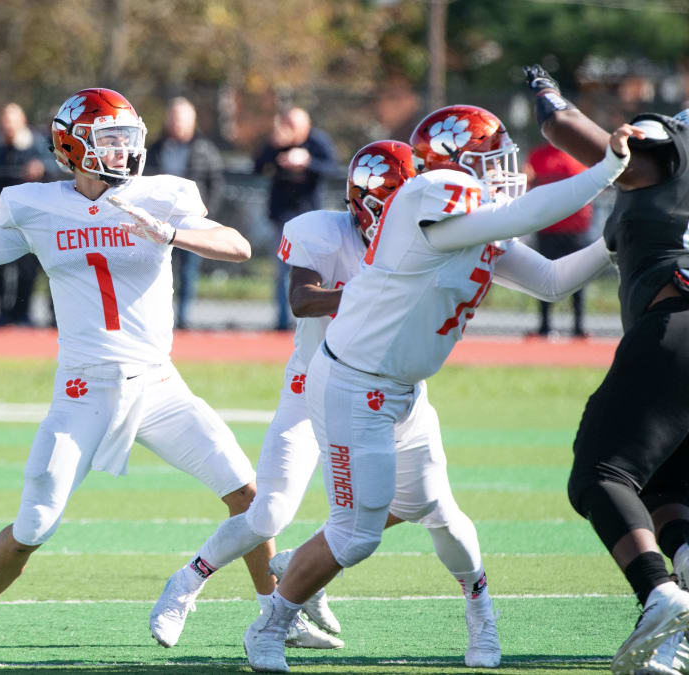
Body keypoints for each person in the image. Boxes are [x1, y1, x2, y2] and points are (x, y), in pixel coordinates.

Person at [242, 105, 639, 673]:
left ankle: (482, 621)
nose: (504, 167)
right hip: (354, 384)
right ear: (450, 165)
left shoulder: (477, 220)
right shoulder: (431, 198)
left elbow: (552, 283)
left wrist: (611, 242)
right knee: (357, 537)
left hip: (403, 387)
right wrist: (606, 170)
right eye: (486, 158)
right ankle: (271, 626)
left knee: (440, 512)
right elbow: (528, 210)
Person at [0, 87, 271, 645]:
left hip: (158, 384)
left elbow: (237, 246)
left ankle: (276, 612)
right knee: (34, 525)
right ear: (73, 147)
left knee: (249, 494)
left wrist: (170, 234)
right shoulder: (34, 204)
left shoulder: (165, 194)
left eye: (127, 139)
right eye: (111, 140)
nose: (124, 151)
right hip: (83, 390)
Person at [151, 141, 500, 666]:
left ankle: (308, 568)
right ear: (362, 201)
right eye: (389, 202)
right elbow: (302, 299)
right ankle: (187, 582)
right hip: (314, 389)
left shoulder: (429, 240)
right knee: (268, 511)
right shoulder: (323, 231)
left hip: (389, 391)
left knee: (431, 507)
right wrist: (377, 291)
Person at [524, 64, 689, 674]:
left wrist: (545, 93)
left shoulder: (665, 151)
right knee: (667, 489)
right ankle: (676, 625)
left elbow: (571, 129)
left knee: (601, 472)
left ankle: (658, 593)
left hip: (675, 328)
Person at [253, 106, 340, 331]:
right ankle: (283, 321)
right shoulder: (276, 142)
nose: (289, 130)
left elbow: (331, 168)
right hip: (283, 215)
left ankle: (314, 319)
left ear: (306, 125)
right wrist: (274, 148)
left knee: (314, 269)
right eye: (287, 124)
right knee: (283, 270)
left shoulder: (317, 141)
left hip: (309, 215)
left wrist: (306, 162)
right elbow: (257, 167)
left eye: (294, 125)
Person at [146, 97, 225, 329]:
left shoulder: (205, 149)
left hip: (190, 222)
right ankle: (159, 316)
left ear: (192, 121)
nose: (177, 124)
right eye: (173, 118)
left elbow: (216, 183)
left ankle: (184, 318)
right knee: (158, 269)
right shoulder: (155, 149)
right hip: (157, 221)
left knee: (188, 272)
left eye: (182, 119)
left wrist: (206, 214)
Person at [0, 102, 46, 326]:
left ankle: (23, 313)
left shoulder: (36, 145)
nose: (7, 126)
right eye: (4, 121)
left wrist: (41, 168)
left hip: (29, 219)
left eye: (11, 121)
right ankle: (2, 313)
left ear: (22, 122)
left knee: (28, 268)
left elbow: (52, 165)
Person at [524, 141, 594, 338]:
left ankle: (576, 326)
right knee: (546, 277)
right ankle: (547, 325)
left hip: (571, 229)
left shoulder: (580, 153)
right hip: (550, 228)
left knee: (576, 279)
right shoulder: (540, 155)